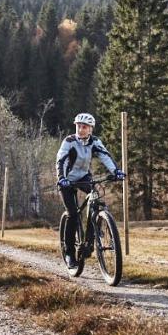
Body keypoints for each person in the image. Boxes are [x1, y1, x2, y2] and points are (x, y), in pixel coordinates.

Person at [56, 112, 125, 267]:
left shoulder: (94, 141)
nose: (81, 129)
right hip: (67, 180)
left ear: (91, 129)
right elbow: (61, 160)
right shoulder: (69, 141)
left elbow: (105, 156)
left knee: (96, 199)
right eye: (79, 126)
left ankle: (92, 234)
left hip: (83, 177)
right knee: (73, 214)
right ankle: (69, 253)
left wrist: (116, 171)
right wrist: (61, 178)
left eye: (84, 127)